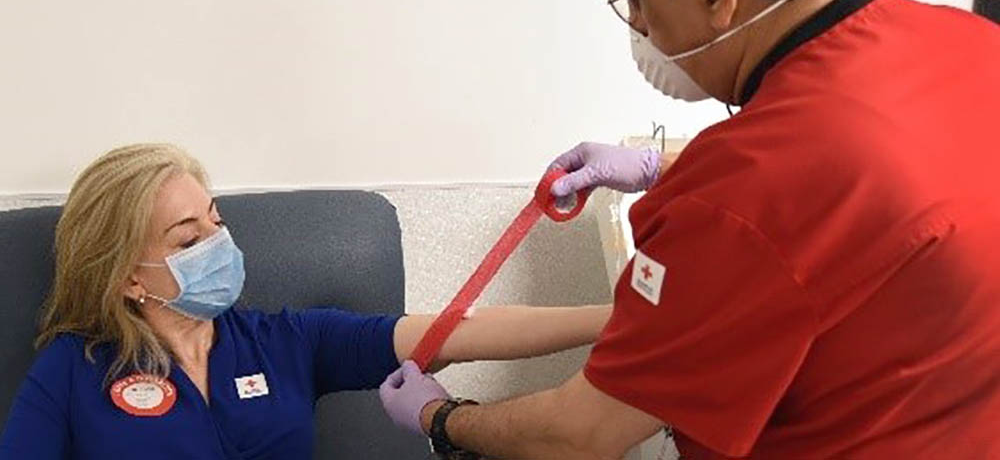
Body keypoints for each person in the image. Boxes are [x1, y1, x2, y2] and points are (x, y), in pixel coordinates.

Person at [379, 0, 1000, 458]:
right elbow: (858, 185)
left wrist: (444, 419)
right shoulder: (968, 43)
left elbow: (578, 435)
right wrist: (659, 167)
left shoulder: (735, 200)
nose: (640, 24)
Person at [0, 143, 612, 460]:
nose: (219, 244)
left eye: (216, 221)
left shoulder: (286, 341)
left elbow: (463, 330)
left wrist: (629, 318)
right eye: (189, 239)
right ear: (129, 277)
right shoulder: (72, 371)